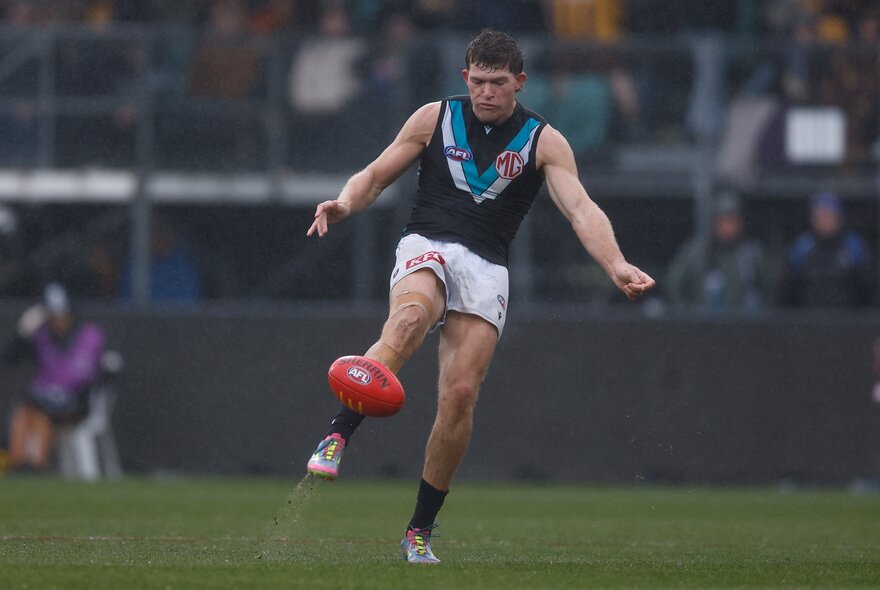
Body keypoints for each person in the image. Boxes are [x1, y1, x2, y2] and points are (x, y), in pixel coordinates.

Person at [303, 30, 655, 564]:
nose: (487, 92)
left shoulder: (543, 141)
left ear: (520, 81)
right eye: (478, 81)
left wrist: (616, 264)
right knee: (409, 320)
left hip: (487, 266)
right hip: (427, 243)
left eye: (498, 83)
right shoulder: (434, 118)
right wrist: (344, 202)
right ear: (465, 77)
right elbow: (375, 175)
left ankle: (418, 530)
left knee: (460, 396)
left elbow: (582, 209)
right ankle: (337, 437)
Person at [3, 283, 106, 472]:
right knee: (25, 412)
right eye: (54, 315)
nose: (59, 320)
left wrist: (60, 393)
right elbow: (9, 359)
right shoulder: (41, 335)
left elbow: (91, 375)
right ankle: (19, 463)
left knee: (41, 415)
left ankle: (37, 465)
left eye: (62, 314)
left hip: (77, 404)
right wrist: (23, 332)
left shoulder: (89, 335)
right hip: (44, 401)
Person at [665, 192, 772, 312]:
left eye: (732, 222)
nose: (727, 228)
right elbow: (674, 285)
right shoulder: (696, 253)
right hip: (704, 324)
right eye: (722, 222)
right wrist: (688, 315)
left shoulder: (753, 254)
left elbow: (770, 289)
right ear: (714, 224)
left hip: (744, 324)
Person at [779, 191, 873, 308]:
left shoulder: (854, 246)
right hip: (808, 320)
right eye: (821, 215)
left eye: (830, 215)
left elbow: (867, 291)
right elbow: (787, 292)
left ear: (839, 218)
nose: (825, 220)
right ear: (813, 219)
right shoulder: (801, 246)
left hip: (848, 320)